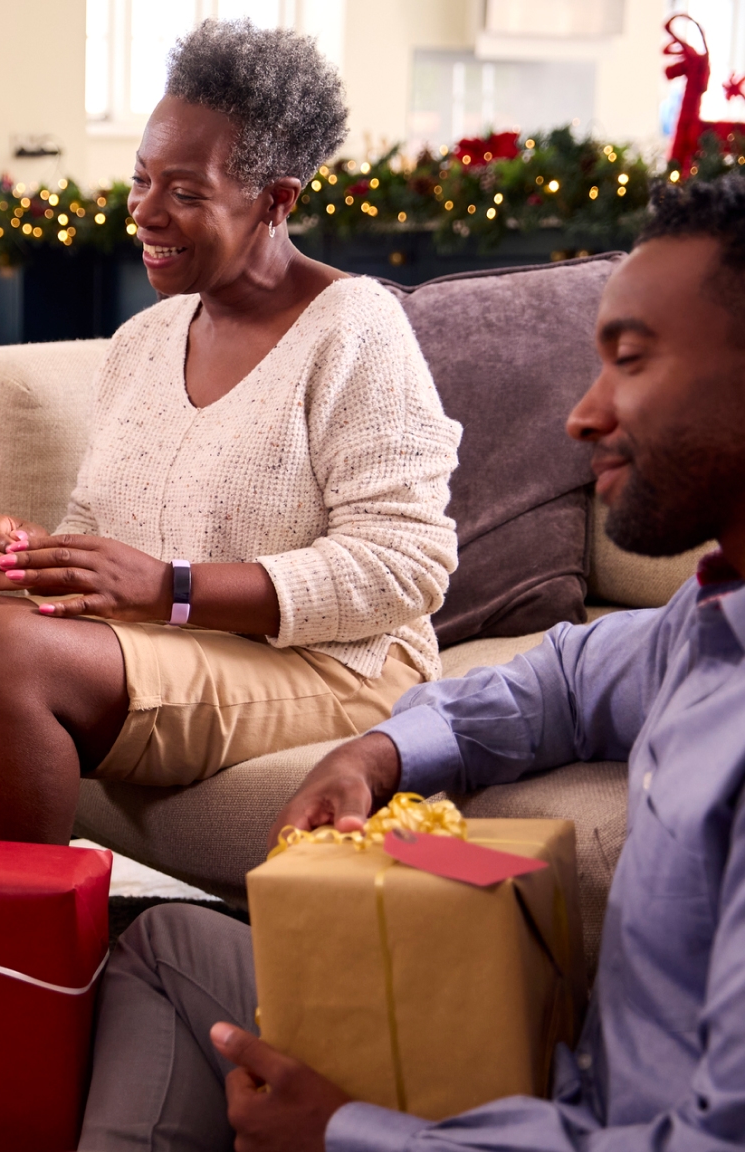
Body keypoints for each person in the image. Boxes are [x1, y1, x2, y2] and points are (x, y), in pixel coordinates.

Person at [80, 172, 745, 1152]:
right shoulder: (708, 623)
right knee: (163, 950)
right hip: (560, 1090)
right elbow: (557, 682)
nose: (585, 415)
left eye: (631, 362)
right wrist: (376, 757)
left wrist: (349, 1135)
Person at [0, 19, 461, 844]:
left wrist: (174, 587)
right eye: (142, 179)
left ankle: (27, 957)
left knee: (1, 653)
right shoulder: (146, 340)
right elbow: (106, 533)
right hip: (177, 635)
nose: (146, 212)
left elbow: (407, 568)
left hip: (343, 664)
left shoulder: (355, 330)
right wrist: (37, 554)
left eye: (186, 192)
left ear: (276, 200)